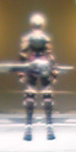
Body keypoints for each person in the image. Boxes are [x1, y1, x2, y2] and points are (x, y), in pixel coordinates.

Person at [19, 13, 57, 141]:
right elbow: (50, 55)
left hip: (33, 64)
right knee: (47, 94)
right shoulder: (45, 37)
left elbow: (23, 54)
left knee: (30, 94)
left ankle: (28, 127)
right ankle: (49, 127)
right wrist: (53, 70)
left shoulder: (28, 37)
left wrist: (21, 72)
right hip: (44, 64)